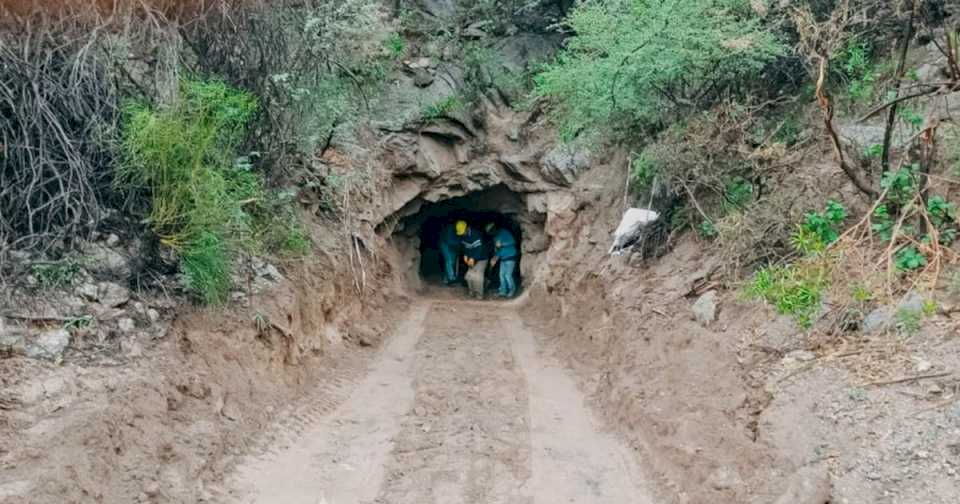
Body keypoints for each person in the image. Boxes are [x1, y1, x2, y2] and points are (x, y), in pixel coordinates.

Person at [486, 223, 519, 298]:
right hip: (503, 258)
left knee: (508, 275)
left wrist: (502, 244)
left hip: (510, 257)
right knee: (501, 275)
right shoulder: (495, 237)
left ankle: (512, 290)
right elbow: (498, 250)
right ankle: (503, 291)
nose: (491, 233)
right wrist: (495, 258)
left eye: (491, 231)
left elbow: (513, 242)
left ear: (494, 228)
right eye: (490, 233)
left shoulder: (504, 232)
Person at [461, 222, 491, 298]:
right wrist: (465, 255)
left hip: (482, 258)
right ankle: (472, 293)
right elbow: (465, 247)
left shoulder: (476, 234)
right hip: (471, 258)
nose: (462, 234)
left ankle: (479, 295)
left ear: (467, 228)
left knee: (478, 276)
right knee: (468, 276)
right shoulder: (463, 235)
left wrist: (473, 258)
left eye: (463, 232)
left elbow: (479, 249)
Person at [439, 220, 465, 285]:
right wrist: (460, 244)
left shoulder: (462, 231)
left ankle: (446, 278)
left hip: (454, 246)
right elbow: (449, 241)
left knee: (452, 262)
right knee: (449, 260)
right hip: (445, 244)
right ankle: (451, 279)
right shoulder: (450, 229)